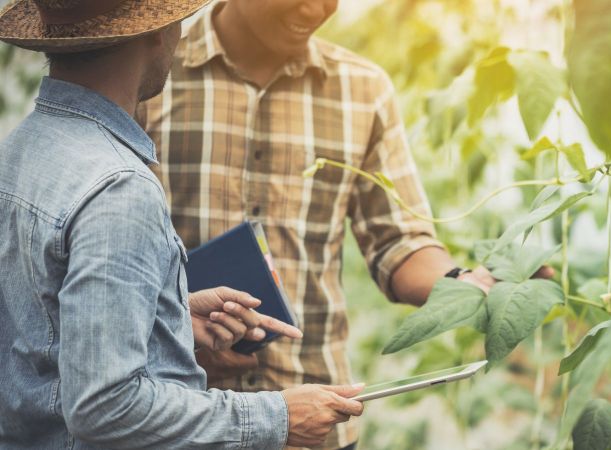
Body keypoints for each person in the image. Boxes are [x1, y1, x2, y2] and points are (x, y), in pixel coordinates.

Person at [138, 1, 515, 448]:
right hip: (183, 415)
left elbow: (397, 240)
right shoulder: (150, 70)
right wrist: (176, 338)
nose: (316, 8)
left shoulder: (361, 89)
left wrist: (462, 283)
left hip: (316, 415)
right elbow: (110, 254)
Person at [0, 1, 363, 448]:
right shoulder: (119, 187)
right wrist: (277, 414)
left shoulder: (20, 150)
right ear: (158, 31)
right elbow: (105, 408)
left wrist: (165, 318)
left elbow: (38, 332)